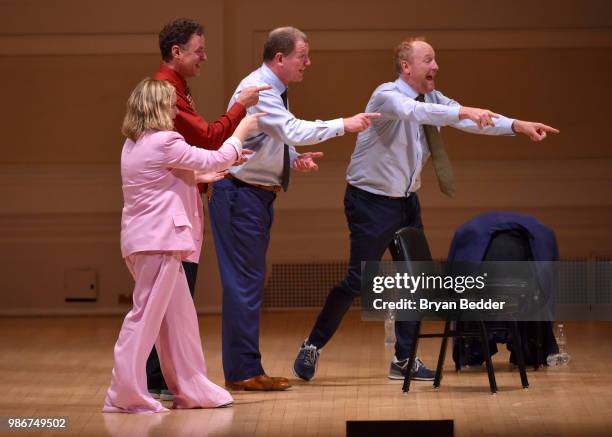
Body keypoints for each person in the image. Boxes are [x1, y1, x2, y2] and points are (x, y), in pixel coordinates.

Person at [293, 37, 559, 382]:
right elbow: (415, 112)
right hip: (369, 201)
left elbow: (463, 119)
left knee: (417, 280)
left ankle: (404, 359)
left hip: (406, 202)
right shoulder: (386, 95)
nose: (436, 67)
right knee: (359, 281)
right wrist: (462, 111)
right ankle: (313, 345)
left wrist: (517, 125)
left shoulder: (433, 98)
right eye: (429, 60)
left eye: (435, 60)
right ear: (407, 67)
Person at [209, 26, 379, 391]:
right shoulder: (262, 89)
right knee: (244, 286)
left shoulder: (274, 88)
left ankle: (245, 369)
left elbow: (271, 137)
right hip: (240, 195)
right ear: (280, 57)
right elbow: (292, 130)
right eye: (303, 56)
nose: (308, 62)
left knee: (247, 284)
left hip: (252, 195)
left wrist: (291, 159)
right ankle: (242, 372)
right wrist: (343, 125)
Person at [103, 78, 262, 413]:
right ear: (159, 107)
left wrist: (205, 175)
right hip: (158, 241)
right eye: (172, 104)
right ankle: (125, 394)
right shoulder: (164, 140)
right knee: (145, 318)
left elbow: (163, 179)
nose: (176, 110)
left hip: (147, 240)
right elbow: (213, 156)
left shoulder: (135, 143)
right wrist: (242, 128)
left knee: (179, 321)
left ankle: (193, 390)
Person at [147, 18, 269, 400]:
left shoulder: (177, 88)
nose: (205, 56)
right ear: (176, 52)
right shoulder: (167, 91)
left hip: (181, 208)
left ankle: (164, 378)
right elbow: (210, 137)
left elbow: (198, 151)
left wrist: (213, 171)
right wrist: (240, 110)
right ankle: (156, 380)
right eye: (198, 50)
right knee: (165, 303)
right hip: (169, 216)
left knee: (172, 301)